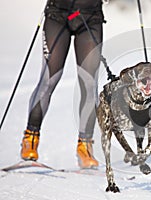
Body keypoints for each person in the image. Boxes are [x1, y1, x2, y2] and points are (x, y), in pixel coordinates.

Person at [20, 0, 105, 169]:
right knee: (49, 79)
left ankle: (85, 147)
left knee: (89, 84)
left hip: (91, 16)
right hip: (57, 15)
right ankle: (30, 138)